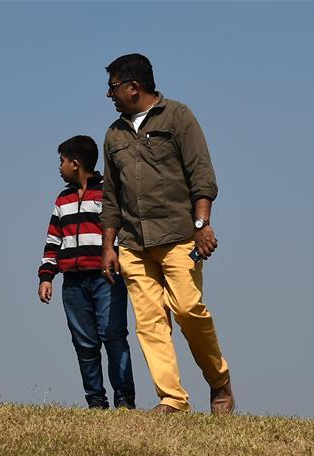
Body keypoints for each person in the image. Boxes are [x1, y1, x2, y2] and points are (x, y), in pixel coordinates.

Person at [98, 53, 234, 414]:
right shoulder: (113, 135)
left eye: (112, 88)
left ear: (133, 87)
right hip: (133, 244)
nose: (108, 95)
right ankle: (173, 399)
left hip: (178, 236)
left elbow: (201, 174)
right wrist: (108, 246)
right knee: (150, 322)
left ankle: (219, 382)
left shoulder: (178, 117)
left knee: (189, 309)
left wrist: (202, 225)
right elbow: (111, 196)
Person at [38, 135, 135, 410]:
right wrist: (47, 276)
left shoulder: (108, 193)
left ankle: (125, 400)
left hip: (107, 279)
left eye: (62, 161)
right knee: (84, 343)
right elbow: (53, 240)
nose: (59, 167)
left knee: (114, 336)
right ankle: (95, 401)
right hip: (73, 283)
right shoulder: (63, 199)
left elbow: (121, 232)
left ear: (76, 164)